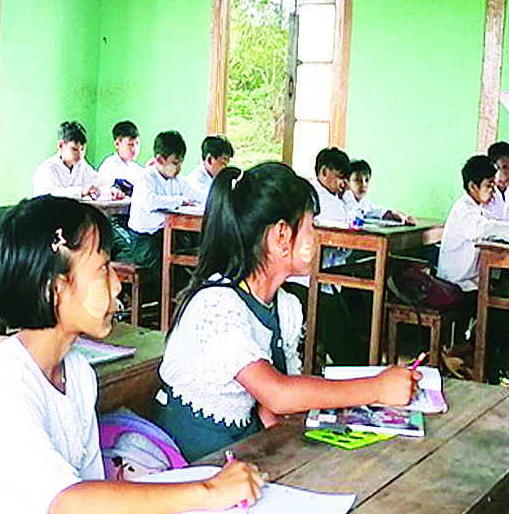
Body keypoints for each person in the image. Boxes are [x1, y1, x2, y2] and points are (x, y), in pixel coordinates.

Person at [0, 196, 264, 514]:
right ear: (55, 289)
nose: (117, 285)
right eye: (102, 269)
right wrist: (207, 491)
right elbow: (67, 504)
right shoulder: (6, 379)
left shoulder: (78, 372)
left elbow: (89, 490)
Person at [154, 163, 419, 460]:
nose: (316, 237)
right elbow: (277, 394)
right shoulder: (217, 305)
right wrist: (377, 388)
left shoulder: (286, 306)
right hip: (187, 463)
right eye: (311, 226)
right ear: (281, 234)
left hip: (240, 454)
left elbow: (274, 410)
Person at [436, 155, 509, 383]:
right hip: (457, 285)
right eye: (488, 186)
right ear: (472, 187)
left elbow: (498, 226)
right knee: (502, 316)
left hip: (475, 283)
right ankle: (469, 359)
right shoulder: (464, 210)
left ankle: (465, 356)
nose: (493, 191)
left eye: (494, 185)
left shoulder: (479, 208)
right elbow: (485, 229)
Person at [284, 147, 367, 365]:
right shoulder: (321, 198)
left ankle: (360, 369)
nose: (343, 183)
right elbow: (353, 221)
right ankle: (355, 372)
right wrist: (348, 196)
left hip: (324, 281)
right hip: (306, 282)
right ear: (323, 172)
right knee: (341, 336)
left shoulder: (329, 196)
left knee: (350, 326)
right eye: (339, 177)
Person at [122, 130, 196, 268]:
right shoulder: (145, 178)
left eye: (181, 162)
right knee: (163, 259)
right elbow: (151, 202)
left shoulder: (178, 180)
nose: (179, 168)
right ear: (160, 160)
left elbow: (194, 196)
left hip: (167, 234)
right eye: (175, 163)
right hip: (145, 240)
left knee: (188, 244)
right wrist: (179, 201)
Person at [31, 121, 102, 199]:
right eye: (74, 149)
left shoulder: (82, 166)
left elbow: (100, 184)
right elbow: (46, 196)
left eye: (82, 149)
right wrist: (80, 191)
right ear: (60, 145)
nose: (80, 154)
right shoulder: (45, 169)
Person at [342, 159, 414, 224]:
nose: (363, 185)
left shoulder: (364, 203)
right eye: (357, 180)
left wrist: (396, 214)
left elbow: (379, 212)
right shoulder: (342, 202)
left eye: (367, 180)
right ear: (346, 182)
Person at [96, 119, 144, 197]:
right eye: (130, 144)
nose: (134, 148)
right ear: (117, 144)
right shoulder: (109, 166)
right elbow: (100, 190)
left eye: (137, 143)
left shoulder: (137, 169)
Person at [185, 134, 234, 206]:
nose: (225, 167)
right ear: (210, 160)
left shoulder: (218, 178)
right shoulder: (194, 182)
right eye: (223, 163)